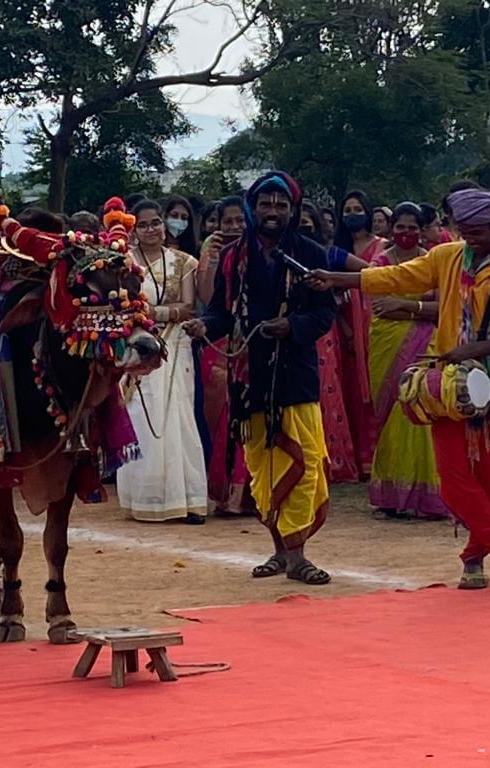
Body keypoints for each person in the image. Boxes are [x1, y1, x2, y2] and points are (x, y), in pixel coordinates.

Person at [310, 187, 490, 590]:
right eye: (463, 229)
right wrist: (339, 279)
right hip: (450, 388)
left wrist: (475, 349)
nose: (469, 237)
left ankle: (474, 557)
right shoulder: (446, 256)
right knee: (454, 476)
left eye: (477, 230)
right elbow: (397, 276)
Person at [184, 171, 337, 585]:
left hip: (295, 374)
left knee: (304, 463)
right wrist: (203, 326)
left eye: (281, 204)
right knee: (263, 468)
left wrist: (293, 326)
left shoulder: (310, 253)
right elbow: (221, 312)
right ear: (253, 208)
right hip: (248, 377)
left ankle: (298, 556)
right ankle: (280, 552)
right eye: (265, 203)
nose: (273, 211)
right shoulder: (233, 257)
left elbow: (325, 312)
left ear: (292, 210)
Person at [116, 200, 208, 524]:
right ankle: (147, 497)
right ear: (134, 230)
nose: (151, 229)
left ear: (164, 225)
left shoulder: (184, 262)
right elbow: (121, 306)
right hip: (137, 344)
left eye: (155, 222)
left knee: (178, 415)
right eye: (143, 225)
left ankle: (189, 498)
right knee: (141, 415)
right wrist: (145, 316)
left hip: (175, 344)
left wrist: (153, 312)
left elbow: (188, 307)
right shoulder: (123, 264)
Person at [366, 202, 445, 519]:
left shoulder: (432, 262)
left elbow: (444, 308)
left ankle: (426, 496)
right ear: (391, 228)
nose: (406, 233)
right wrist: (420, 310)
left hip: (426, 346)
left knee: (420, 411)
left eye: (413, 227)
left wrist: (404, 305)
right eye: (400, 227)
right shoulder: (381, 262)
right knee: (391, 415)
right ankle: (391, 495)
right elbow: (380, 308)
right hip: (386, 344)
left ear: (422, 230)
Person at [197, 196, 255, 515]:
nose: (234, 227)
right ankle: (224, 494)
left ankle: (250, 495)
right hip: (221, 344)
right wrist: (213, 260)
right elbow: (210, 300)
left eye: (240, 221)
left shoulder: (260, 250)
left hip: (255, 341)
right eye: (228, 221)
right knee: (220, 416)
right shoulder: (213, 253)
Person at [301, 199, 357, 483]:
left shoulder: (329, 254)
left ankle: (335, 460)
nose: (303, 227)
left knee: (327, 389)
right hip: (294, 329)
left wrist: (337, 286)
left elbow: (367, 272)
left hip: (324, 330)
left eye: (307, 222)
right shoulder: (284, 253)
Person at [333, 190, 384, 477]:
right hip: (344, 328)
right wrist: (348, 330)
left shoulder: (381, 247)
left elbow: (383, 283)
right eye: (347, 210)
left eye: (357, 209)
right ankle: (354, 456)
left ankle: (376, 457)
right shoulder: (338, 249)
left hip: (374, 324)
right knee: (351, 389)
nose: (352, 214)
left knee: (374, 387)